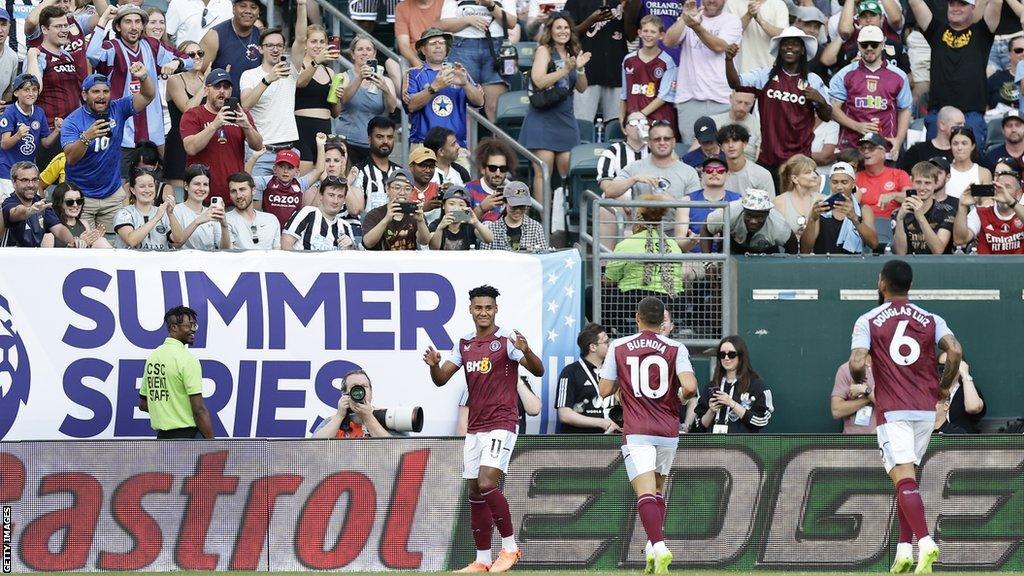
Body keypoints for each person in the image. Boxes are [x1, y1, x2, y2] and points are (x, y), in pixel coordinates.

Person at [849, 259, 962, 574]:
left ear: (881, 282)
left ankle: (926, 543)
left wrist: (860, 377)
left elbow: (857, 360)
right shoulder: (931, 317)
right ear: (909, 285)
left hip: (893, 409)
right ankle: (903, 551)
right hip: (925, 409)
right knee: (905, 480)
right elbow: (954, 351)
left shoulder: (868, 319)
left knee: (904, 480)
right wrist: (944, 386)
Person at [423, 285, 544, 573]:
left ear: (496, 309)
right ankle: (482, 559)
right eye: (478, 307)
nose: (483, 312)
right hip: (476, 426)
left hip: (502, 422)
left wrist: (527, 352)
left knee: (488, 483)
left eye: (488, 307)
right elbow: (441, 379)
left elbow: (538, 370)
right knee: (475, 490)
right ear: (470, 310)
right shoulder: (464, 344)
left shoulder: (506, 341)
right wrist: (434, 365)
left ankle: (511, 548)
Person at [596, 296, 698, 575]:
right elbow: (690, 387)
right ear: (662, 321)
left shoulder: (619, 346)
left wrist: (624, 382)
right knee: (657, 490)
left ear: (637, 317)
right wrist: (676, 395)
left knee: (644, 493)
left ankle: (660, 545)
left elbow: (604, 391)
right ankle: (653, 551)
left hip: (638, 429)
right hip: (668, 429)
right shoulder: (675, 347)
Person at [87, 5, 192, 159]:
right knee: (123, 182)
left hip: (153, 133)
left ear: (143, 26)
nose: (134, 27)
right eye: (128, 22)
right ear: (117, 26)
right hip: (121, 135)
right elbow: (92, 54)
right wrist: (103, 20)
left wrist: (176, 63)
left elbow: (188, 60)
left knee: (153, 182)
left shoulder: (152, 45)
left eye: (138, 22)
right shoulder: (112, 47)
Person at [725, 26, 832, 177]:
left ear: (802, 50)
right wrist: (728, 60)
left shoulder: (813, 80)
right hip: (769, 160)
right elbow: (735, 83)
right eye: (785, 43)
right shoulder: (765, 76)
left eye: (795, 44)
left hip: (799, 162)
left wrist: (820, 100)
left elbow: (827, 116)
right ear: (779, 49)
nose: (789, 47)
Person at [62, 67, 155, 230]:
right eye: (95, 91)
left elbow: (148, 95)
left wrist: (144, 77)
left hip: (112, 194)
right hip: (81, 197)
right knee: (84, 246)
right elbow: (71, 158)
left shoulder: (117, 108)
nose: (101, 96)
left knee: (115, 248)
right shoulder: (72, 121)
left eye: (105, 91)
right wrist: (86, 137)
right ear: (84, 95)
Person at [603, 195, 702, 336]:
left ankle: (621, 333)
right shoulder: (672, 245)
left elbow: (609, 279)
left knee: (593, 294)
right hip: (672, 301)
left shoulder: (627, 244)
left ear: (638, 220)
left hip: (633, 301)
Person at [909, 0, 1002, 148]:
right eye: (952, 4)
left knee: (972, 165)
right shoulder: (936, 30)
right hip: (939, 114)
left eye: (962, 4)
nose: (956, 8)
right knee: (936, 167)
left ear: (973, 8)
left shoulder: (982, 32)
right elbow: (916, 4)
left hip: (971, 115)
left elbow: (996, 3)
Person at [520, 13, 591, 202]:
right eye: (559, 27)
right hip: (543, 118)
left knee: (568, 170)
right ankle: (543, 223)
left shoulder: (573, 51)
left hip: (565, 118)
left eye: (566, 27)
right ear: (550, 30)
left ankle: (565, 221)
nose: (563, 31)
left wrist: (580, 69)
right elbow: (539, 80)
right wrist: (566, 69)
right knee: (544, 171)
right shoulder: (544, 50)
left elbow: (582, 88)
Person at [180, 68, 263, 205]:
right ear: (206, 90)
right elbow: (190, 148)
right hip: (201, 197)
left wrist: (246, 126)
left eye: (226, 87)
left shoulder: (240, 113)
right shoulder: (193, 114)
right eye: (217, 86)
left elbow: (258, 145)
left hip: (234, 196)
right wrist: (214, 124)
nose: (222, 91)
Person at [664, 0, 743, 144]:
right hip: (689, 99)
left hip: (722, 99)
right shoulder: (690, 17)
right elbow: (668, 41)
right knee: (690, 153)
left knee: (723, 151)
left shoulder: (732, 20)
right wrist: (684, 18)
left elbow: (719, 46)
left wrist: (695, 26)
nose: (712, 1)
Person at [829, 25, 912, 154]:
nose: (869, 48)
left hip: (884, 148)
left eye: (874, 44)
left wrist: (899, 140)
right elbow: (833, 109)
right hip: (851, 148)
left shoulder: (899, 76)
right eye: (864, 44)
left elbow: (905, 110)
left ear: (883, 44)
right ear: (858, 44)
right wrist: (857, 126)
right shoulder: (844, 74)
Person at [25, 4, 87, 172]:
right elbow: (33, 91)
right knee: (51, 189)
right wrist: (31, 56)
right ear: (45, 29)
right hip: (49, 135)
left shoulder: (68, 56)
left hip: (73, 133)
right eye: (58, 26)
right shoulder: (38, 55)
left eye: (65, 25)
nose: (64, 30)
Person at [138, 306, 215, 439]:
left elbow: (143, 404)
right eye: (189, 325)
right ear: (174, 327)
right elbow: (199, 410)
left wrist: (167, 410)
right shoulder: (187, 359)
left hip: (162, 439)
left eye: (194, 325)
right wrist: (212, 444)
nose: (193, 330)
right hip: (188, 439)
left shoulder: (153, 358)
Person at [404, 28, 485, 153]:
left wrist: (465, 84)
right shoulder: (413, 74)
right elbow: (410, 106)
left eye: (441, 43)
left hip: (457, 146)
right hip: (423, 146)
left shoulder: (459, 72)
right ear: (423, 50)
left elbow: (480, 102)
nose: (438, 46)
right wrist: (435, 87)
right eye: (432, 43)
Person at [437, 0, 518, 121]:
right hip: (463, 46)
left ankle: (496, 140)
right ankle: (462, 140)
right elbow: (444, 24)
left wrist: (491, 5)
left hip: (496, 48)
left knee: (494, 107)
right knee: (464, 104)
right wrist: (468, 20)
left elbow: (511, 23)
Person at [239, 26, 299, 180]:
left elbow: (301, 39)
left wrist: (301, 5)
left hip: (288, 150)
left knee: (288, 202)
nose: (275, 49)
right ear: (260, 49)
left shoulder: (291, 71)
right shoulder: (250, 75)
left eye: (279, 46)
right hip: (261, 152)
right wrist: (267, 80)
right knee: (256, 202)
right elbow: (245, 105)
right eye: (270, 45)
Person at [292, 9, 344, 174]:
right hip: (302, 128)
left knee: (324, 181)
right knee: (304, 181)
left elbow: (335, 112)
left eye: (322, 42)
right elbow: (300, 82)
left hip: (325, 129)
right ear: (305, 44)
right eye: (314, 41)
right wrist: (316, 62)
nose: (318, 46)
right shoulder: (299, 65)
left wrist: (338, 97)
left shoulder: (331, 73)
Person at [337, 35, 399, 168]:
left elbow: (392, 108)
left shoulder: (385, 80)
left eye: (368, 49)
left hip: (373, 145)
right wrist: (360, 78)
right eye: (360, 49)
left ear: (374, 54)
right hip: (348, 142)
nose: (365, 52)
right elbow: (344, 99)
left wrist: (386, 89)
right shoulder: (345, 77)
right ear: (353, 54)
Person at [564, 0, 629, 124]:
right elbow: (567, 34)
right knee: (582, 124)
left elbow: (632, 35)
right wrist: (591, 20)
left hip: (615, 68)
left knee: (615, 126)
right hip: (587, 70)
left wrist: (628, 7)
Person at [604, 120, 700, 203]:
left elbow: (697, 208)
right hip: (642, 224)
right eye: (657, 139)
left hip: (677, 223)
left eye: (666, 139)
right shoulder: (634, 167)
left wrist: (673, 203)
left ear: (673, 142)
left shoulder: (689, 171)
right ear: (649, 143)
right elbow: (609, 192)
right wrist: (634, 179)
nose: (662, 143)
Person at [693, 335, 773, 433]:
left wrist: (732, 403)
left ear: (741, 356)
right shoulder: (711, 386)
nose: (726, 358)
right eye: (722, 354)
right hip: (714, 445)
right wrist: (711, 410)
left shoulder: (756, 385)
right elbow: (698, 428)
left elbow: (761, 421)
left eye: (731, 354)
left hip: (743, 446)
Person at [0, 74, 61, 197]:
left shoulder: (39, 112)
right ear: (16, 92)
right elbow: (4, 144)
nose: (31, 93)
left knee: (37, 204)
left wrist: (57, 131)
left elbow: (45, 143)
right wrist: (18, 135)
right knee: (11, 209)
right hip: (7, 171)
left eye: (34, 90)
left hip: (29, 172)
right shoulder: (10, 112)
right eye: (26, 90)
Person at [250, 136, 326, 229]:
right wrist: (254, 157)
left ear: (297, 172)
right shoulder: (265, 181)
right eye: (282, 167)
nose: (285, 171)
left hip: (291, 231)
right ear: (274, 169)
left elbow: (319, 170)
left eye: (290, 168)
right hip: (269, 229)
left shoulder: (301, 183)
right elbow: (245, 178)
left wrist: (320, 145)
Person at [802, 161, 878, 254]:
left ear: (853, 184)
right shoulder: (821, 208)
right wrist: (812, 220)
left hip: (854, 264)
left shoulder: (864, 210)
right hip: (824, 264)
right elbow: (805, 250)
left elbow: (874, 243)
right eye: (835, 182)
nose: (839, 187)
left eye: (844, 182)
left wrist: (855, 218)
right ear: (830, 183)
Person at [555, 322, 619, 433]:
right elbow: (564, 415)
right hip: (581, 443)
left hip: (614, 441)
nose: (610, 345)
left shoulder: (615, 371)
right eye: (606, 342)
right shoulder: (570, 372)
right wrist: (601, 422)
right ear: (593, 347)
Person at [952, 158, 1024, 254]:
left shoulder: (1021, 211)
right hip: (987, 267)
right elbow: (960, 240)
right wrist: (962, 207)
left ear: (1019, 193)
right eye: (999, 186)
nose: (1002, 190)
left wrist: (1011, 201)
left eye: (1007, 186)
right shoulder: (981, 211)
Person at [1, 161, 76, 247]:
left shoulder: (41, 203)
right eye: (25, 180)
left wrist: (74, 242)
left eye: (34, 179)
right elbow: (16, 212)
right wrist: (29, 211)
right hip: (10, 257)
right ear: (14, 183)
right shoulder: (9, 202)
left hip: (34, 257)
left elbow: (58, 229)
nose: (31, 185)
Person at [620, 15, 677, 127]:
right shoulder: (628, 60)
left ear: (661, 35)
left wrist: (640, 115)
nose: (648, 35)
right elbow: (624, 95)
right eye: (645, 31)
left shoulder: (667, 61)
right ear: (639, 33)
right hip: (633, 121)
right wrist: (622, 118)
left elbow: (663, 97)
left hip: (659, 121)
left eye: (653, 31)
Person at [855, 132, 910, 246]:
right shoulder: (856, 177)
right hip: (864, 230)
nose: (865, 151)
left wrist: (893, 195)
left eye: (871, 148)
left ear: (883, 153)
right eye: (863, 148)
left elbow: (911, 197)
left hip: (894, 228)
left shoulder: (899, 174)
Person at [165, 40, 207, 188]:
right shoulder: (174, 80)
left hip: (202, 142)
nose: (197, 57)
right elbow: (188, 110)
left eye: (200, 53)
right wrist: (205, 86)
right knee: (179, 196)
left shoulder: (204, 78)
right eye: (191, 54)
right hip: (179, 143)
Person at [703, 187, 797, 253]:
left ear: (767, 214)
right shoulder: (728, 213)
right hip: (732, 247)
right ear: (743, 210)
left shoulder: (779, 227)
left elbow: (792, 246)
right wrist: (707, 262)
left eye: (759, 217)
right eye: (749, 215)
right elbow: (705, 226)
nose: (753, 221)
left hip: (766, 253)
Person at [677, 156, 741, 252]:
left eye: (720, 170)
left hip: (728, 260)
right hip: (695, 261)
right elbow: (679, 243)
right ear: (702, 174)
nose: (714, 173)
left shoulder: (738, 200)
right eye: (709, 170)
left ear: (727, 174)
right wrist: (692, 241)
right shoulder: (687, 201)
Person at [199, 0, 262, 95]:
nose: (248, 11)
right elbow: (197, 73)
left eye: (253, 7)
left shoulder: (262, 37)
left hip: (254, 105)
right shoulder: (215, 35)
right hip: (221, 105)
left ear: (258, 13)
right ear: (233, 9)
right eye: (243, 6)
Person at [892, 161, 954, 255]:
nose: (922, 187)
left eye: (927, 183)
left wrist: (920, 217)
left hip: (939, 267)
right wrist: (900, 219)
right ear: (911, 181)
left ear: (935, 184)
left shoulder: (947, 211)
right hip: (910, 266)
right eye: (918, 182)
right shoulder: (899, 213)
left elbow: (938, 250)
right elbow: (900, 253)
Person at [282, 175, 356, 251]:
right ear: (321, 196)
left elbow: (352, 258)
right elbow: (285, 245)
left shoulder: (345, 226)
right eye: (331, 195)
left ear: (344, 200)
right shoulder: (307, 213)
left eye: (340, 196)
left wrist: (351, 247)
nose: (335, 201)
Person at [362, 170, 431, 250]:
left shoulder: (416, 213)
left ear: (412, 192)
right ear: (387, 189)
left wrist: (420, 221)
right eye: (397, 188)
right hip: (381, 261)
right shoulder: (374, 214)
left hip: (407, 261)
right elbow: (367, 243)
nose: (402, 193)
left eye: (407, 189)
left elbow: (424, 241)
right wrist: (386, 219)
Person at [312, 370, 391, 438]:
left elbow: (396, 451)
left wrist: (368, 417)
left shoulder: (386, 417)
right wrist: (339, 416)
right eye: (355, 387)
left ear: (371, 392)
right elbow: (311, 449)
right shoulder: (333, 421)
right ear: (344, 394)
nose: (360, 391)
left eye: (364, 386)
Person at [114, 168, 179, 250]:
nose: (147, 190)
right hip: (132, 261)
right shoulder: (124, 213)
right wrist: (156, 218)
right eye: (142, 186)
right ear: (133, 190)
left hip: (160, 261)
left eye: (151, 186)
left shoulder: (163, 212)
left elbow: (178, 240)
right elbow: (131, 241)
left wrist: (171, 214)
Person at [170, 164, 229, 250]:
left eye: (205, 184)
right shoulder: (176, 210)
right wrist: (198, 221)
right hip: (183, 261)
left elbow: (225, 250)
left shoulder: (212, 212)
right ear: (186, 186)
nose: (201, 188)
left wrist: (224, 226)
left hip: (209, 260)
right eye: (197, 184)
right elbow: (175, 245)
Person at [482, 181, 549, 251]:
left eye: (522, 206)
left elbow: (544, 256)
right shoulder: (492, 229)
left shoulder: (536, 228)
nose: (518, 210)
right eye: (514, 206)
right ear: (505, 203)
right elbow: (485, 258)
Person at [353, 115, 401, 213]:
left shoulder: (400, 172)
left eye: (390, 137)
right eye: (380, 137)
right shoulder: (359, 171)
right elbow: (356, 210)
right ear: (369, 140)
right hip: (368, 227)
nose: (385, 141)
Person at [726, 0, 788, 74]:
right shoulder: (732, 3)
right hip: (743, 71)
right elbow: (730, 35)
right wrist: (748, 15)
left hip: (772, 70)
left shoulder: (778, 4)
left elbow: (784, 35)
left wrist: (761, 21)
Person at [224, 171, 281, 249]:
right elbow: (227, 253)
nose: (238, 195)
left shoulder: (271, 219)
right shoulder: (225, 220)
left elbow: (277, 252)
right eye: (233, 191)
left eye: (242, 189)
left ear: (253, 190)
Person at [428, 184, 494, 249]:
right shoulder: (436, 225)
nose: (456, 208)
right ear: (443, 206)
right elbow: (434, 248)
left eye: (461, 205)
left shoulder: (469, 225)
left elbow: (489, 239)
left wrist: (476, 222)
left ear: (467, 208)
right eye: (451, 204)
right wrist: (440, 228)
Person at [467, 137, 518, 222]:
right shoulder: (469, 189)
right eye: (493, 168)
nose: (498, 173)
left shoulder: (513, 192)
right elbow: (456, 218)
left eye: (503, 168)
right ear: (482, 169)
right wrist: (481, 208)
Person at [899, 106, 962, 173]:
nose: (962, 128)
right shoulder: (917, 151)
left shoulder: (964, 151)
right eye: (958, 124)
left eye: (964, 124)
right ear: (942, 125)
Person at [47, 182, 111, 248]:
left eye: (79, 201)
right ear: (59, 203)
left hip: (84, 258)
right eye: (70, 202)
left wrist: (94, 239)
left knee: (101, 241)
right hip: (62, 258)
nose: (75, 205)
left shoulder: (84, 223)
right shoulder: (52, 227)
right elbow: (46, 256)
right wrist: (77, 243)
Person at [934, 353, 985, 434]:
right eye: (942, 366)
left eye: (952, 364)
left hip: (962, 442)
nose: (947, 369)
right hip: (934, 441)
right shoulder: (931, 391)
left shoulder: (967, 390)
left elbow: (973, 407)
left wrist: (965, 374)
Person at [718, 122, 774, 196]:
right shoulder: (715, 174)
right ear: (721, 147)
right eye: (726, 142)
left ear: (744, 143)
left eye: (735, 140)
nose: (730, 145)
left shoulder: (762, 175)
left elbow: (770, 205)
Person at [774, 154, 822, 237]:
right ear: (795, 179)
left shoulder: (822, 199)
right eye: (808, 172)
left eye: (814, 171)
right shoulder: (779, 202)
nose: (814, 175)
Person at [709, 91, 759, 163]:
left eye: (747, 103)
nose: (742, 107)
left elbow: (760, 158)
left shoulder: (760, 126)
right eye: (739, 102)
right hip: (716, 168)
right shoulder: (713, 122)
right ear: (731, 98)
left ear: (753, 102)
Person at [945, 125, 991, 199]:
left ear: (972, 146)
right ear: (950, 146)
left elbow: (986, 203)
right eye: (955, 144)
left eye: (964, 143)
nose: (959, 148)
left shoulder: (984, 173)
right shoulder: (943, 172)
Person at [831, 361, 877, 434]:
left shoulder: (891, 368)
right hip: (853, 440)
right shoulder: (846, 369)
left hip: (886, 440)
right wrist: (869, 396)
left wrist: (865, 390)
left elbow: (894, 406)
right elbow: (836, 411)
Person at [396, 0, 445, 68]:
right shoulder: (403, 7)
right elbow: (403, 44)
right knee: (391, 64)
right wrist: (416, 62)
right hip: (415, 55)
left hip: (440, 54)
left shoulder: (444, 2)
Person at [166, 0, 232, 45]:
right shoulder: (178, 3)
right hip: (188, 61)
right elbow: (166, 35)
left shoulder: (227, 3)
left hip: (219, 62)